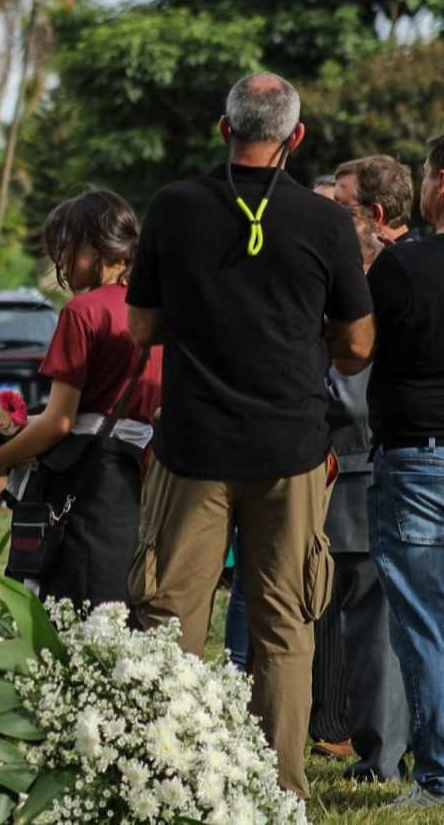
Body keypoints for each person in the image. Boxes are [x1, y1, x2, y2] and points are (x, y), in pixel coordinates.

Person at [125, 72, 375, 798]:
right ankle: (276, 794)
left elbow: (142, 327)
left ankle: (164, 785)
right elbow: (358, 344)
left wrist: (206, 325)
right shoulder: (327, 222)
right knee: (286, 626)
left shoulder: (173, 208)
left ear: (222, 128)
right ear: (295, 137)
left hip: (193, 450)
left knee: (170, 621)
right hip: (292, 451)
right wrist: (301, 339)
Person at [0, 190, 161, 607]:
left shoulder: (82, 312)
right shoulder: (155, 309)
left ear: (93, 245)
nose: (58, 262)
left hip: (84, 481)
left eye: (64, 248)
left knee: (67, 607)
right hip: (133, 481)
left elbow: (60, 421)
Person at [365, 133, 444, 809]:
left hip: (417, 457)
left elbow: (354, 345)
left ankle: (437, 775)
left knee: (422, 622)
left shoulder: (403, 268)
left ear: (440, 185)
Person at [317, 202, 408, 780]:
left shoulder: (364, 307)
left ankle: (382, 758)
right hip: (358, 476)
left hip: (355, 477)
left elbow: (351, 398)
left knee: (372, 632)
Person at [335, 155, 418, 246]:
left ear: (376, 214)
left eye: (341, 206)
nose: (330, 213)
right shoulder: (414, 254)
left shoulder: (398, 258)